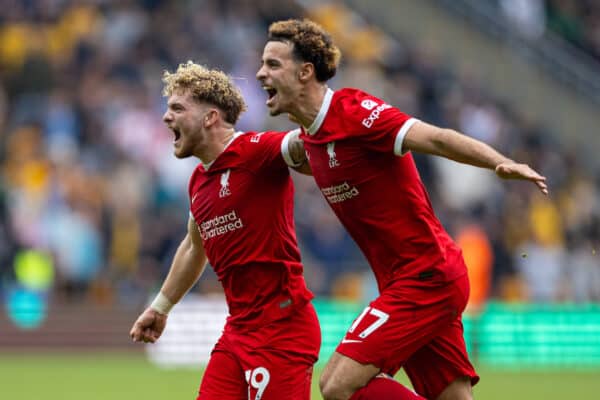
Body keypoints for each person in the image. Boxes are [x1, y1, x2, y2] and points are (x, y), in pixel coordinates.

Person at [256, 19, 548, 400]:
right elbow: (265, 152)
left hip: (425, 276)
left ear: (305, 72)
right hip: (415, 281)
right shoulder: (306, 140)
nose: (261, 73)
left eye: (273, 65)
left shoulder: (356, 112)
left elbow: (437, 139)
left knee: (336, 385)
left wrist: (498, 162)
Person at [129, 61, 320, 400]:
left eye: (177, 107)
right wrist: (160, 306)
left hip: (282, 327)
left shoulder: (257, 150)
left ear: (210, 117)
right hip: (238, 330)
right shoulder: (198, 181)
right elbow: (193, 244)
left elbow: (308, 145)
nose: (166, 117)